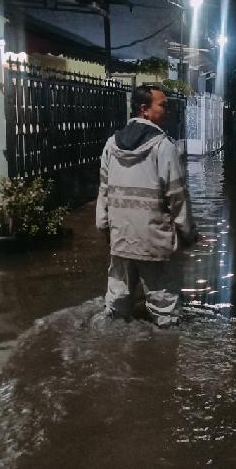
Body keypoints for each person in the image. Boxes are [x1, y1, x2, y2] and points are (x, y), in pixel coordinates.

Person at [96, 85, 198, 326]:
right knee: (165, 309)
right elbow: (177, 196)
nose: (168, 110)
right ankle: (163, 357)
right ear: (144, 110)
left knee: (117, 303)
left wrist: (103, 227)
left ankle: (112, 349)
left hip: (120, 237)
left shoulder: (111, 144)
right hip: (154, 240)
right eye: (162, 105)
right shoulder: (163, 147)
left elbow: (104, 190)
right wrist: (188, 232)